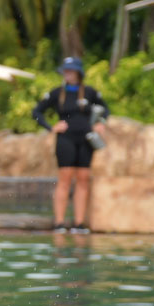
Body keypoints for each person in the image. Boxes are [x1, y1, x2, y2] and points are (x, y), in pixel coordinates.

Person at [32, 57, 109, 234]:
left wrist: (101, 123)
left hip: (86, 139)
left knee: (83, 178)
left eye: (71, 71)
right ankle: (59, 222)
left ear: (78, 73)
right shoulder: (57, 93)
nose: (67, 73)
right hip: (65, 139)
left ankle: (79, 223)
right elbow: (36, 112)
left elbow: (105, 109)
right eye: (65, 70)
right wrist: (51, 127)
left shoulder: (89, 93)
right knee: (65, 177)